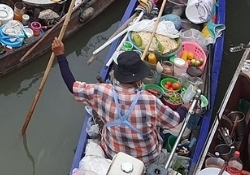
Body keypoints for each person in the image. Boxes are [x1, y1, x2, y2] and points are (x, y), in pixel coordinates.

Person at [52, 39, 182, 165]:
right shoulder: (150, 101)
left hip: (113, 154)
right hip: (146, 160)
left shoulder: (102, 91)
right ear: (139, 79)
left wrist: (60, 55)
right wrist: (185, 107)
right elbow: (175, 120)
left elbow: (72, 86)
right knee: (162, 132)